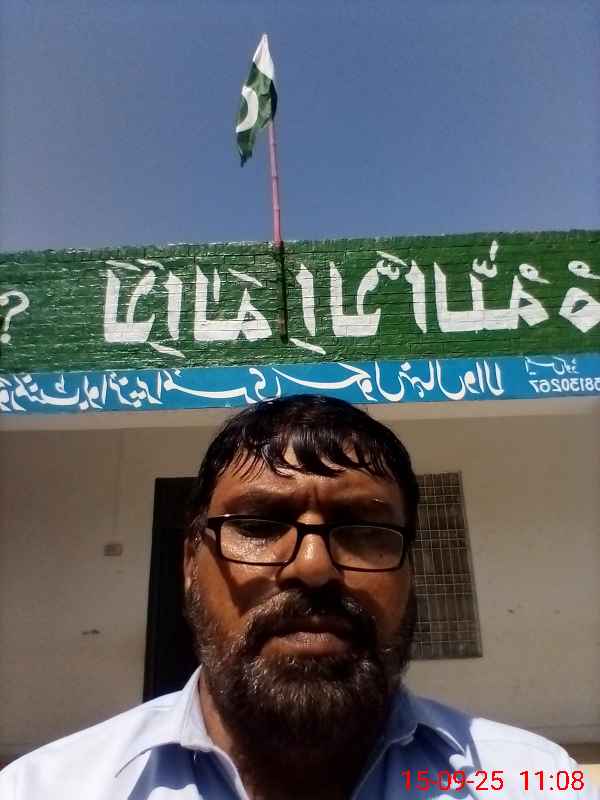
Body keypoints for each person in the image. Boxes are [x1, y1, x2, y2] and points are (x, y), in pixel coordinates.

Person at [0, 394, 597, 799]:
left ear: (410, 570)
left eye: (363, 529)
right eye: (259, 526)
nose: (313, 567)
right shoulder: (49, 787)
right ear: (188, 564)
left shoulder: (531, 778)